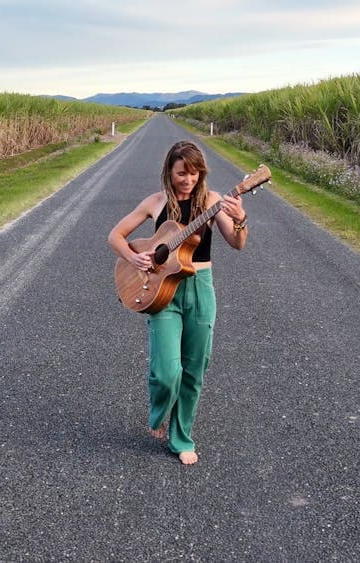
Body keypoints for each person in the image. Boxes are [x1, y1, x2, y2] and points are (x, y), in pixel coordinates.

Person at [107, 140, 248, 465]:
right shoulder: (155, 203)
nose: (189, 179)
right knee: (166, 371)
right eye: (182, 172)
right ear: (169, 172)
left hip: (199, 287)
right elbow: (115, 235)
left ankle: (181, 437)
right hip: (161, 293)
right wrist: (134, 256)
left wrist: (239, 218)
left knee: (194, 368)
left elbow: (237, 243)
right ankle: (159, 412)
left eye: (195, 172)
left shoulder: (213, 202)